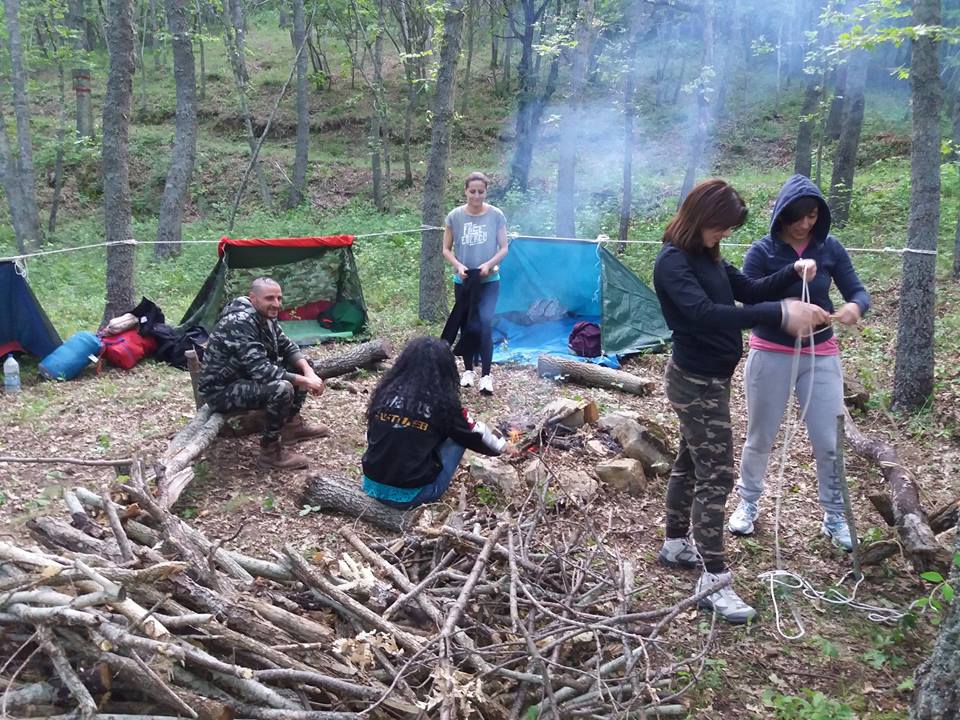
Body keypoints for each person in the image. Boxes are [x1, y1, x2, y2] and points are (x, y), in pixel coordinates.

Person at [652, 178, 830, 624]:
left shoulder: (706, 256)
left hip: (712, 378)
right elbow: (703, 315)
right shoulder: (672, 262)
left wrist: (793, 273)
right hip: (694, 381)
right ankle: (713, 579)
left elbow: (748, 290)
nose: (725, 235)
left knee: (691, 462)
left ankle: (676, 543)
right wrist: (780, 313)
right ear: (702, 218)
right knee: (718, 475)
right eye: (721, 227)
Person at [728, 175, 870, 550]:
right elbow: (751, 302)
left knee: (828, 439)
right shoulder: (762, 252)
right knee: (761, 436)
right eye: (798, 216)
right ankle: (748, 502)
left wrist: (855, 306)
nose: (805, 223)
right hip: (770, 352)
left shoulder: (829, 248)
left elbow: (856, 289)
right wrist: (788, 299)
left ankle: (834, 515)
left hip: (820, 354)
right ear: (781, 215)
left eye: (812, 215)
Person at [361, 336, 512, 509]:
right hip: (411, 496)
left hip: (370, 485)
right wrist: (503, 447)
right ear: (446, 369)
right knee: (459, 435)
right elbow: (474, 434)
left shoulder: (384, 394)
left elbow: (372, 436)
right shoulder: (443, 406)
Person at [199, 277, 328, 470]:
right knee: (281, 388)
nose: (276, 304)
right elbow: (262, 372)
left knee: (302, 364)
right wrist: (306, 382)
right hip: (221, 390)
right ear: (253, 298)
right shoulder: (239, 322)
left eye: (279, 298)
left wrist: (309, 372)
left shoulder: (264, 316)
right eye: (269, 298)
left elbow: (287, 345)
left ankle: (291, 426)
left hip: (243, 379)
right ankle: (270, 453)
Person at [441, 171, 509, 396]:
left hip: (489, 280)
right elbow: (446, 249)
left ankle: (487, 375)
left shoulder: (496, 215)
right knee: (466, 324)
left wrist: (489, 264)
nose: (477, 196)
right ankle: (468, 370)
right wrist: (459, 266)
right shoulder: (455, 216)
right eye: (473, 192)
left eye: (481, 192)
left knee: (485, 323)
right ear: (465, 191)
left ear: (486, 192)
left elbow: (504, 248)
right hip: (463, 279)